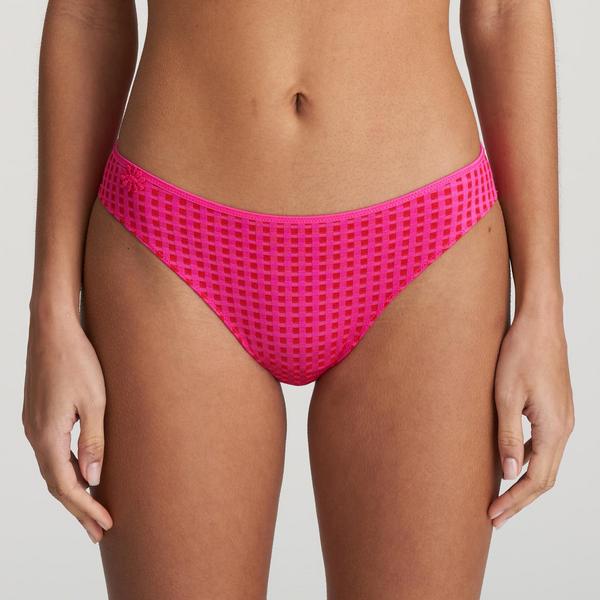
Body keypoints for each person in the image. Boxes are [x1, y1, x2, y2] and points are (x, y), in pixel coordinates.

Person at [22, 1, 574, 598]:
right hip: (172, 241)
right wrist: (52, 310)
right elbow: (88, 14)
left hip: (425, 246)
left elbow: (504, 10)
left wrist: (542, 308)